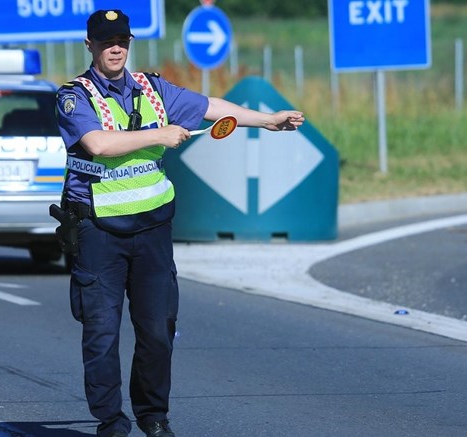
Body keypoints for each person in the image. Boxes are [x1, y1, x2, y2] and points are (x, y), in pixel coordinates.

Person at [55, 9, 304, 437]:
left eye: (122, 40)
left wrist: (268, 120)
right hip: (99, 230)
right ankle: (111, 422)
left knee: (157, 329)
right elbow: (98, 143)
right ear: (89, 45)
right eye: (106, 41)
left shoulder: (153, 89)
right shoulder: (74, 96)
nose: (115, 48)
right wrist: (160, 134)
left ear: (129, 44)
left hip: (152, 229)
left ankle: (153, 416)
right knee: (101, 333)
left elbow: (211, 108)